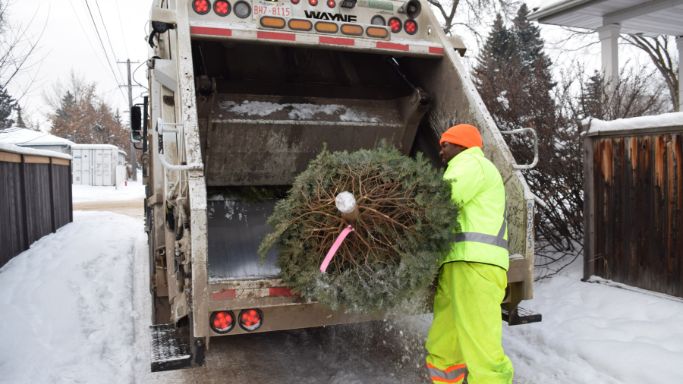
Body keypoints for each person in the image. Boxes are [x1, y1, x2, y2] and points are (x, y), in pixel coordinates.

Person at [425, 124, 513, 384]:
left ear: (461, 145)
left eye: (445, 145)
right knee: (445, 342)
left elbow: (442, 203)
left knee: (481, 347)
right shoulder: (465, 167)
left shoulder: (470, 164)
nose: (440, 151)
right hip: (459, 264)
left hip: (476, 266)